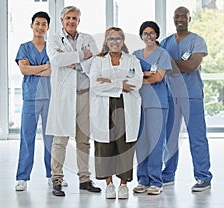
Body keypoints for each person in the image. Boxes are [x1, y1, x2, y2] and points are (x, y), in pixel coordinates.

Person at [45, 6, 101, 197]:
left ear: (79, 20)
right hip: (64, 95)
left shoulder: (88, 39)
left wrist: (71, 61)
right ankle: (57, 179)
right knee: (60, 139)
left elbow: (94, 63)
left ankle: (84, 179)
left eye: (74, 18)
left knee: (84, 140)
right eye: (67, 18)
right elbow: (56, 59)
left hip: (85, 93)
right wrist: (81, 56)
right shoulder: (53, 39)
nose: (71, 21)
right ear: (62, 20)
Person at [160, 6, 213, 192]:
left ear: (189, 19)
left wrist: (169, 63)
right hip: (170, 96)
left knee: (197, 137)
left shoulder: (197, 41)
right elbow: (158, 65)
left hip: (192, 95)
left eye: (184, 16)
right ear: (173, 19)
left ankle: (203, 177)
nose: (180, 19)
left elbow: (191, 66)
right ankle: (167, 175)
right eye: (177, 16)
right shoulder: (166, 42)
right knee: (170, 138)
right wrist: (173, 64)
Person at [89, 27, 143, 199]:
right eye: (111, 39)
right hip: (104, 107)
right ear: (106, 41)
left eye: (118, 39)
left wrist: (109, 82)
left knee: (124, 146)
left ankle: (123, 185)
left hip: (126, 107)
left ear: (123, 41)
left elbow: (136, 83)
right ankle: (109, 184)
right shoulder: (98, 62)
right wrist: (120, 85)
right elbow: (96, 85)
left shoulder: (132, 60)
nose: (114, 42)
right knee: (105, 146)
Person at [132, 21, 172, 195]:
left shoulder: (163, 54)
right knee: (141, 142)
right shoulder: (135, 55)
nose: (148, 37)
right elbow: (128, 75)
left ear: (157, 35)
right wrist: (145, 75)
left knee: (155, 143)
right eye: (145, 34)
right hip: (138, 103)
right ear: (141, 36)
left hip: (157, 104)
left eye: (152, 33)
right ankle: (142, 180)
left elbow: (158, 78)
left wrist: (140, 78)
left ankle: (156, 181)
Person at [15, 11, 53, 191]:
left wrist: (33, 67)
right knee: (27, 136)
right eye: (37, 23)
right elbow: (24, 71)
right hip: (30, 97)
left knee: (50, 139)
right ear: (31, 26)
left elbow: (52, 71)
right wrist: (44, 67)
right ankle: (22, 177)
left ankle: (53, 175)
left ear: (48, 27)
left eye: (43, 24)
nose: (40, 27)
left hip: (49, 97)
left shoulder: (52, 48)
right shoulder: (24, 47)